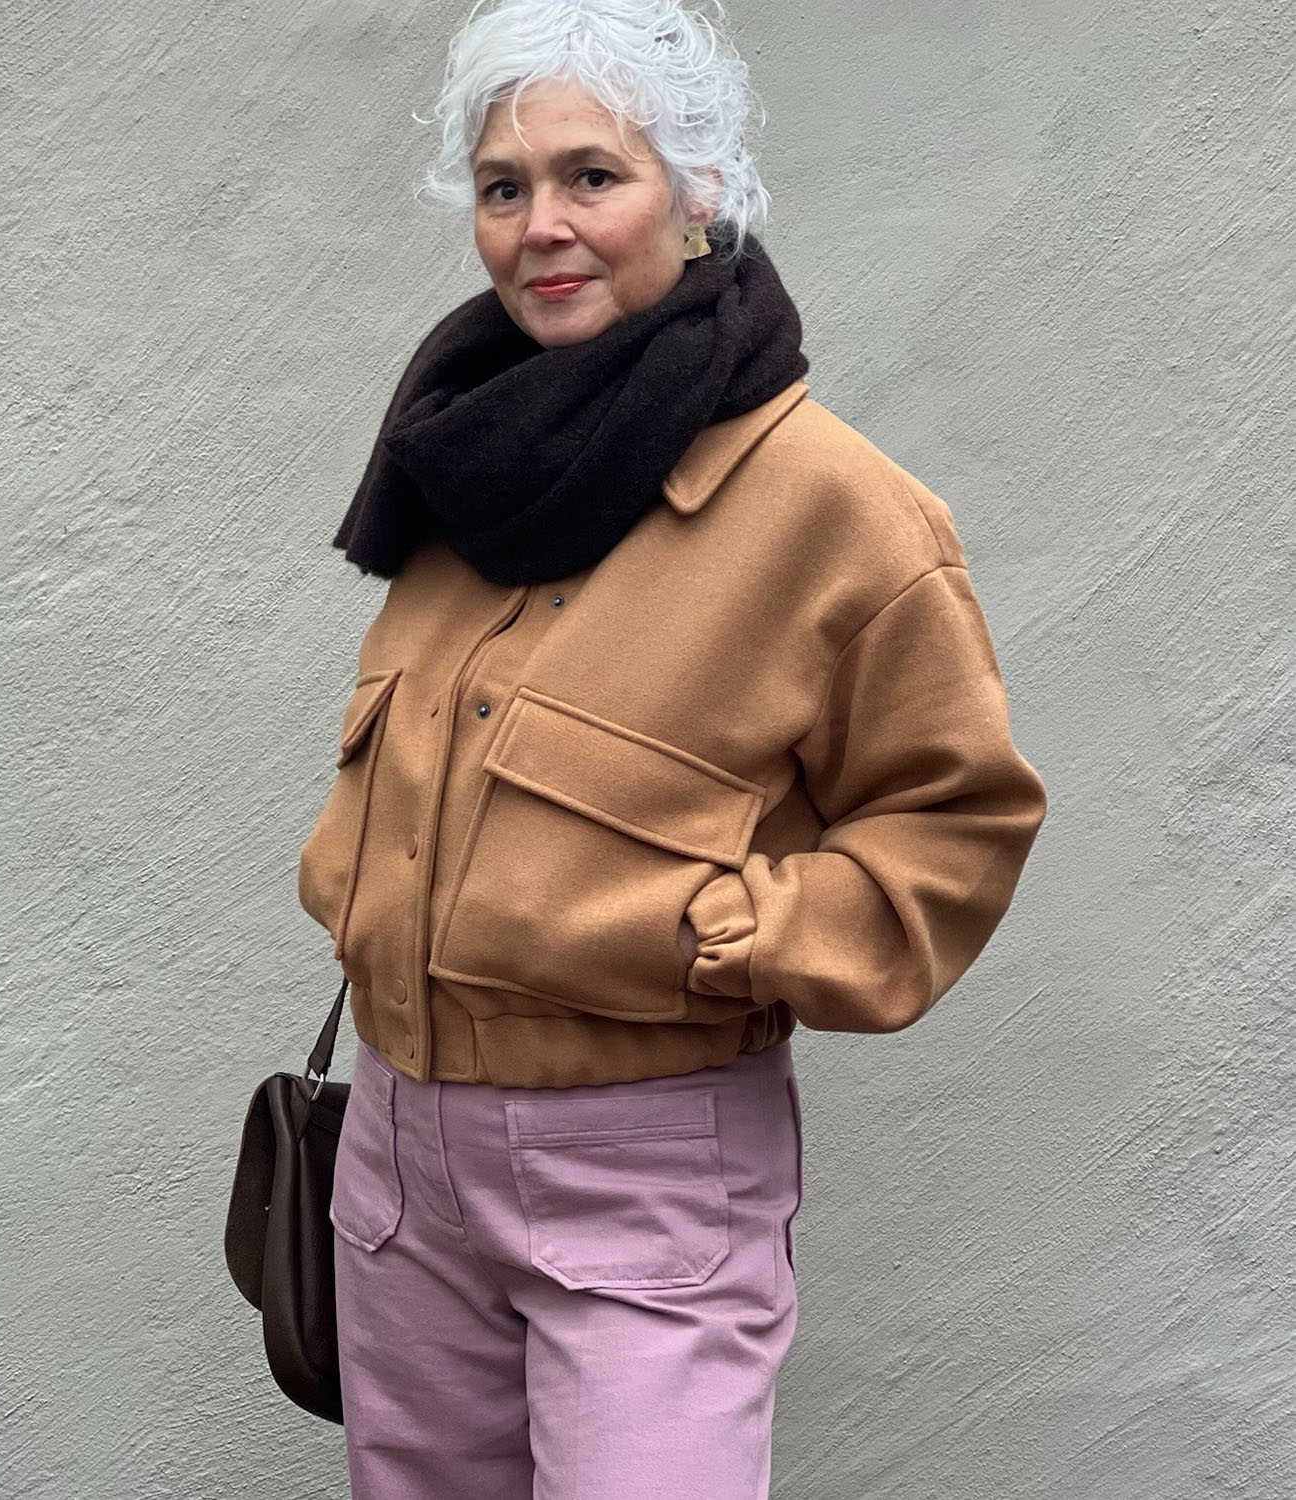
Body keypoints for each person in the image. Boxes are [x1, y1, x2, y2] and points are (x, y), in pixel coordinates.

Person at [296, 2, 1048, 1495]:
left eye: (593, 175)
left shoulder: (837, 511)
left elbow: (953, 823)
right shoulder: (464, 466)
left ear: (700, 191)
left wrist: (732, 930)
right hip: (399, 1160)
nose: (541, 226)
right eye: (503, 187)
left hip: (643, 1168)